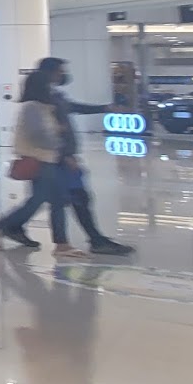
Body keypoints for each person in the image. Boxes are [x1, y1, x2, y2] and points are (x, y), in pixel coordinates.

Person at [0, 68, 86, 259]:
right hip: (42, 161)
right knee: (49, 200)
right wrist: (58, 136)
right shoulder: (33, 108)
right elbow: (38, 136)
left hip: (47, 160)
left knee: (46, 200)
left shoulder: (40, 107)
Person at [38, 57, 135, 256]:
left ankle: (93, 239)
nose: (64, 75)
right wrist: (65, 155)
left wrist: (104, 108)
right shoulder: (45, 98)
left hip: (64, 157)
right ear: (51, 73)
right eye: (60, 71)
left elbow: (74, 108)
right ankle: (92, 241)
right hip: (61, 159)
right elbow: (52, 131)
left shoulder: (55, 95)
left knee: (73, 199)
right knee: (74, 199)